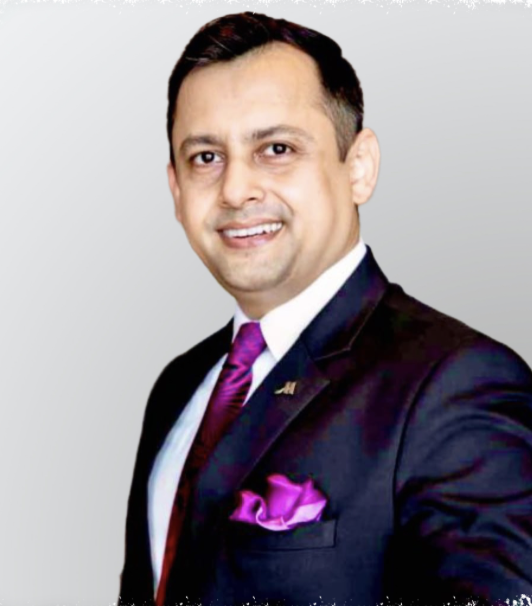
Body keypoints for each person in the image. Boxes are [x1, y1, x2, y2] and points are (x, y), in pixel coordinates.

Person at [118, 12, 532, 606]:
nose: (235, 189)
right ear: (176, 190)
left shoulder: (453, 385)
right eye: (205, 157)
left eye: (276, 149)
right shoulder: (178, 388)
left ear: (358, 167)